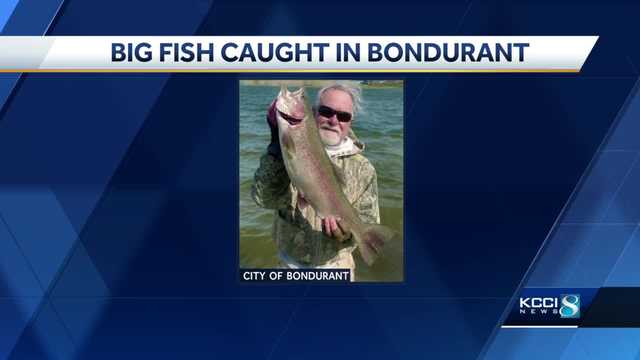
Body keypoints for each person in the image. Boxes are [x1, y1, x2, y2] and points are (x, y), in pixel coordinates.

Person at [251, 82, 380, 280]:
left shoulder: (364, 169)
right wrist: (276, 145)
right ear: (313, 112)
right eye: (326, 111)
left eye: (343, 116)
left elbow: (369, 220)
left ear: (350, 122)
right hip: (289, 265)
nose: (334, 120)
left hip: (337, 268)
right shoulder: (284, 151)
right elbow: (263, 199)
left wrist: (345, 234)